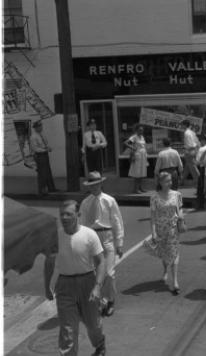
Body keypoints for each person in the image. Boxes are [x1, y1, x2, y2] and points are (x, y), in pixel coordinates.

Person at [44, 200, 107, 356]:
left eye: (69, 214)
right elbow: (49, 263)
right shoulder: (55, 237)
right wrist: (47, 287)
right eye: (62, 214)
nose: (64, 218)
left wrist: (97, 286)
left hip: (88, 282)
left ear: (78, 215)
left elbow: (101, 262)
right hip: (65, 285)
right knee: (68, 330)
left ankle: (100, 344)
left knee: (93, 325)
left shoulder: (89, 235)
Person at [79, 172, 125, 317]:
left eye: (96, 184)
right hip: (92, 238)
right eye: (91, 185)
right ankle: (100, 302)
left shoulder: (109, 200)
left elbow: (117, 220)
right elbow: (82, 224)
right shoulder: (85, 203)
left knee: (110, 273)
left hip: (107, 237)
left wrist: (119, 242)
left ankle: (110, 300)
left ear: (101, 184)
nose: (94, 187)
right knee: (95, 272)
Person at [144, 172, 184, 295]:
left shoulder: (177, 195)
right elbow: (153, 216)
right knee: (164, 253)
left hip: (173, 229)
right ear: (160, 182)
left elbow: (180, 209)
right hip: (161, 229)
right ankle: (165, 270)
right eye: (167, 181)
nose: (170, 183)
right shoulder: (154, 197)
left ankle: (175, 281)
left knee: (174, 253)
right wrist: (153, 232)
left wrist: (181, 220)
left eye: (170, 180)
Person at [30, 120, 57, 196]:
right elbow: (35, 149)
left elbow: (46, 143)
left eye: (41, 126)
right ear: (35, 128)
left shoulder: (42, 134)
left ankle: (51, 188)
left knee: (48, 172)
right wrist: (45, 150)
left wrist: (48, 148)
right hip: (39, 156)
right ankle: (42, 191)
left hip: (45, 155)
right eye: (39, 126)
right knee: (42, 173)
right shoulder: (33, 137)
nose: (41, 127)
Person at [124, 124, 149, 194]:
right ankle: (135, 189)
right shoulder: (134, 137)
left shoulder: (142, 137)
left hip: (143, 156)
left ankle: (140, 188)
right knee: (137, 173)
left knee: (142, 172)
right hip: (137, 156)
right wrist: (132, 147)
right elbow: (125, 143)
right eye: (140, 130)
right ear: (137, 130)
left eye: (142, 130)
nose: (141, 131)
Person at [182, 119, 200, 187]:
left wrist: (186, 151)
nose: (181, 126)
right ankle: (182, 180)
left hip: (189, 151)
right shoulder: (192, 132)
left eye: (182, 125)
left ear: (184, 125)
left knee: (193, 168)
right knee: (188, 167)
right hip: (194, 150)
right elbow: (197, 142)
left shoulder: (186, 133)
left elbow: (190, 145)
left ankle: (199, 182)